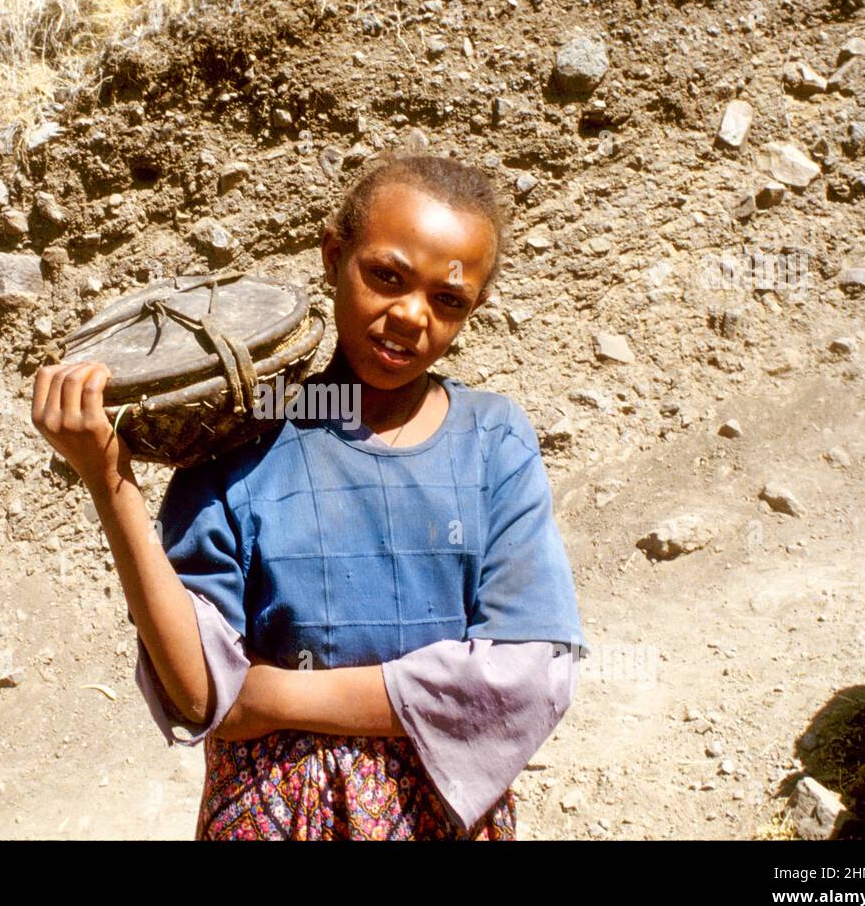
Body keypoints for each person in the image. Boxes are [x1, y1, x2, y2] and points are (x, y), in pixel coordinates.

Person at [32, 151, 588, 840]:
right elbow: (202, 690)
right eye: (385, 276)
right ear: (333, 254)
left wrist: (274, 693)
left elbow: (528, 673)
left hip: (442, 818)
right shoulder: (239, 442)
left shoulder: (493, 441)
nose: (412, 315)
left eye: (447, 300)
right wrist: (108, 481)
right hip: (271, 818)